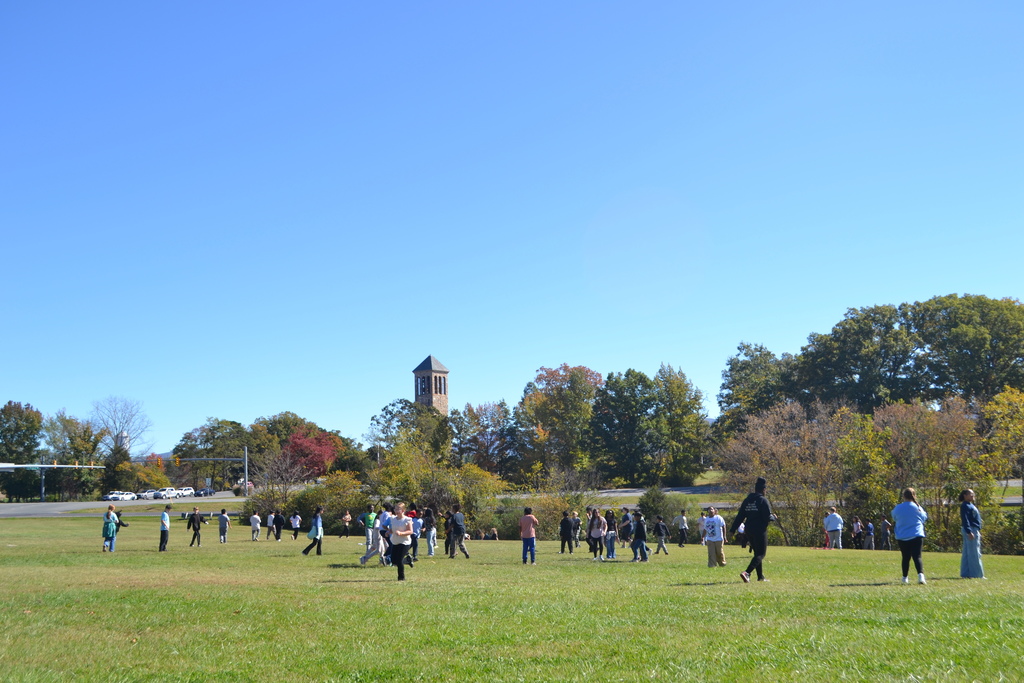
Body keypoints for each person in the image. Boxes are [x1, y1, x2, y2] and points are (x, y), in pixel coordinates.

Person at [730, 477, 775, 582]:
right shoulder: (763, 500)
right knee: (761, 554)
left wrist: (732, 529)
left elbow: (740, 516)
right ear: (764, 490)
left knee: (756, 554)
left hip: (749, 530)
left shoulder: (747, 500)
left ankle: (760, 577)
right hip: (759, 530)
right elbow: (767, 517)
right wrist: (774, 517)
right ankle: (747, 573)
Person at [892, 488, 928, 584]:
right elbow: (924, 518)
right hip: (916, 534)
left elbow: (894, 518)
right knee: (917, 557)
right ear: (914, 496)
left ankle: (905, 578)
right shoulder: (918, 507)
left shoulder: (898, 508)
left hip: (902, 535)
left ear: (903, 496)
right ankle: (921, 577)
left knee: (905, 557)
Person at [959, 489, 985, 579]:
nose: (972, 495)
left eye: (973, 494)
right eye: (970, 494)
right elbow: (965, 519)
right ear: (965, 495)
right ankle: (977, 574)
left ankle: (965, 573)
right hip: (971, 530)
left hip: (972, 529)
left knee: (967, 553)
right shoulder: (965, 505)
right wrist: (969, 531)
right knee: (974, 553)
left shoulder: (970, 505)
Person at [389, 502, 414, 581]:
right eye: (395, 509)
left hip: (405, 542)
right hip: (395, 541)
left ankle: (401, 578)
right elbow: (392, 529)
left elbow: (410, 531)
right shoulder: (393, 519)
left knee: (399, 560)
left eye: (398, 509)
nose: (396, 511)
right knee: (393, 560)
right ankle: (407, 560)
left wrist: (401, 533)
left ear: (403, 510)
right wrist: (389, 531)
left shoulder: (407, 519)